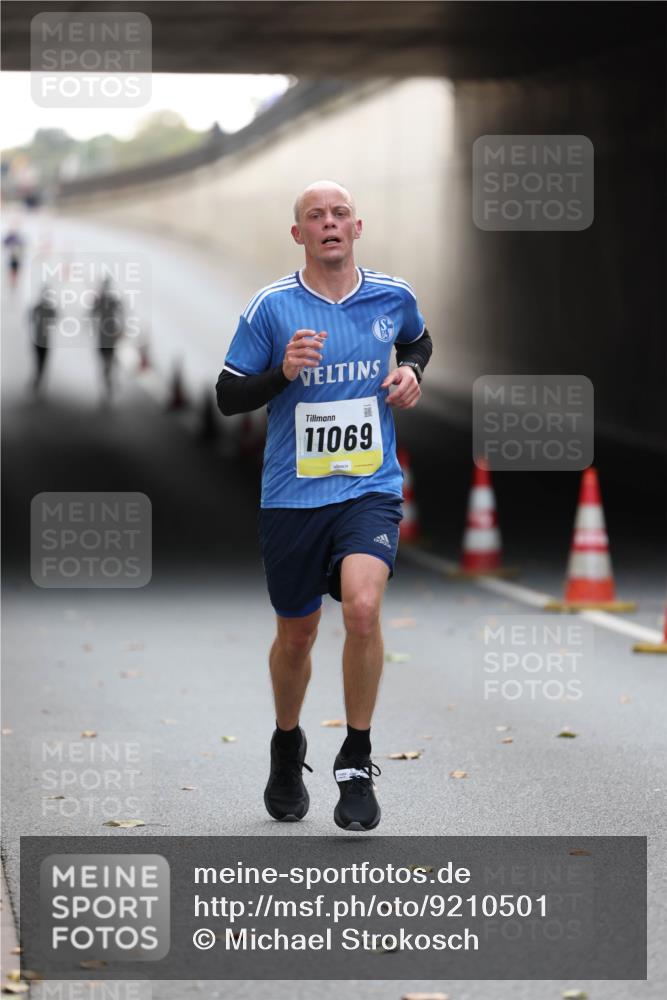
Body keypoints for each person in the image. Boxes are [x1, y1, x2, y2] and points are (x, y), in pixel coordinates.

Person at [216, 180, 432, 831]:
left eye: (339, 214)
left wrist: (412, 372)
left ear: (356, 227)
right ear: (299, 234)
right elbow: (228, 397)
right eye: (316, 216)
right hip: (291, 496)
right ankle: (288, 747)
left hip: (368, 487)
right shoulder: (272, 308)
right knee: (297, 635)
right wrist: (281, 372)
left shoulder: (391, 296)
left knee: (362, 609)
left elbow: (417, 341)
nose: (329, 223)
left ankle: (356, 760)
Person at [90, 276, 124, 398]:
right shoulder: (107, 299)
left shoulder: (106, 300)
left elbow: (121, 313)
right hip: (106, 334)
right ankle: (108, 380)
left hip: (108, 334)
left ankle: (108, 380)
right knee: (107, 360)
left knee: (107, 360)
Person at [29, 284, 57, 394]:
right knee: (40, 362)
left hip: (42, 339)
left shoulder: (42, 308)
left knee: (41, 362)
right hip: (40, 339)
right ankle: (38, 380)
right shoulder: (41, 308)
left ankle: (38, 381)